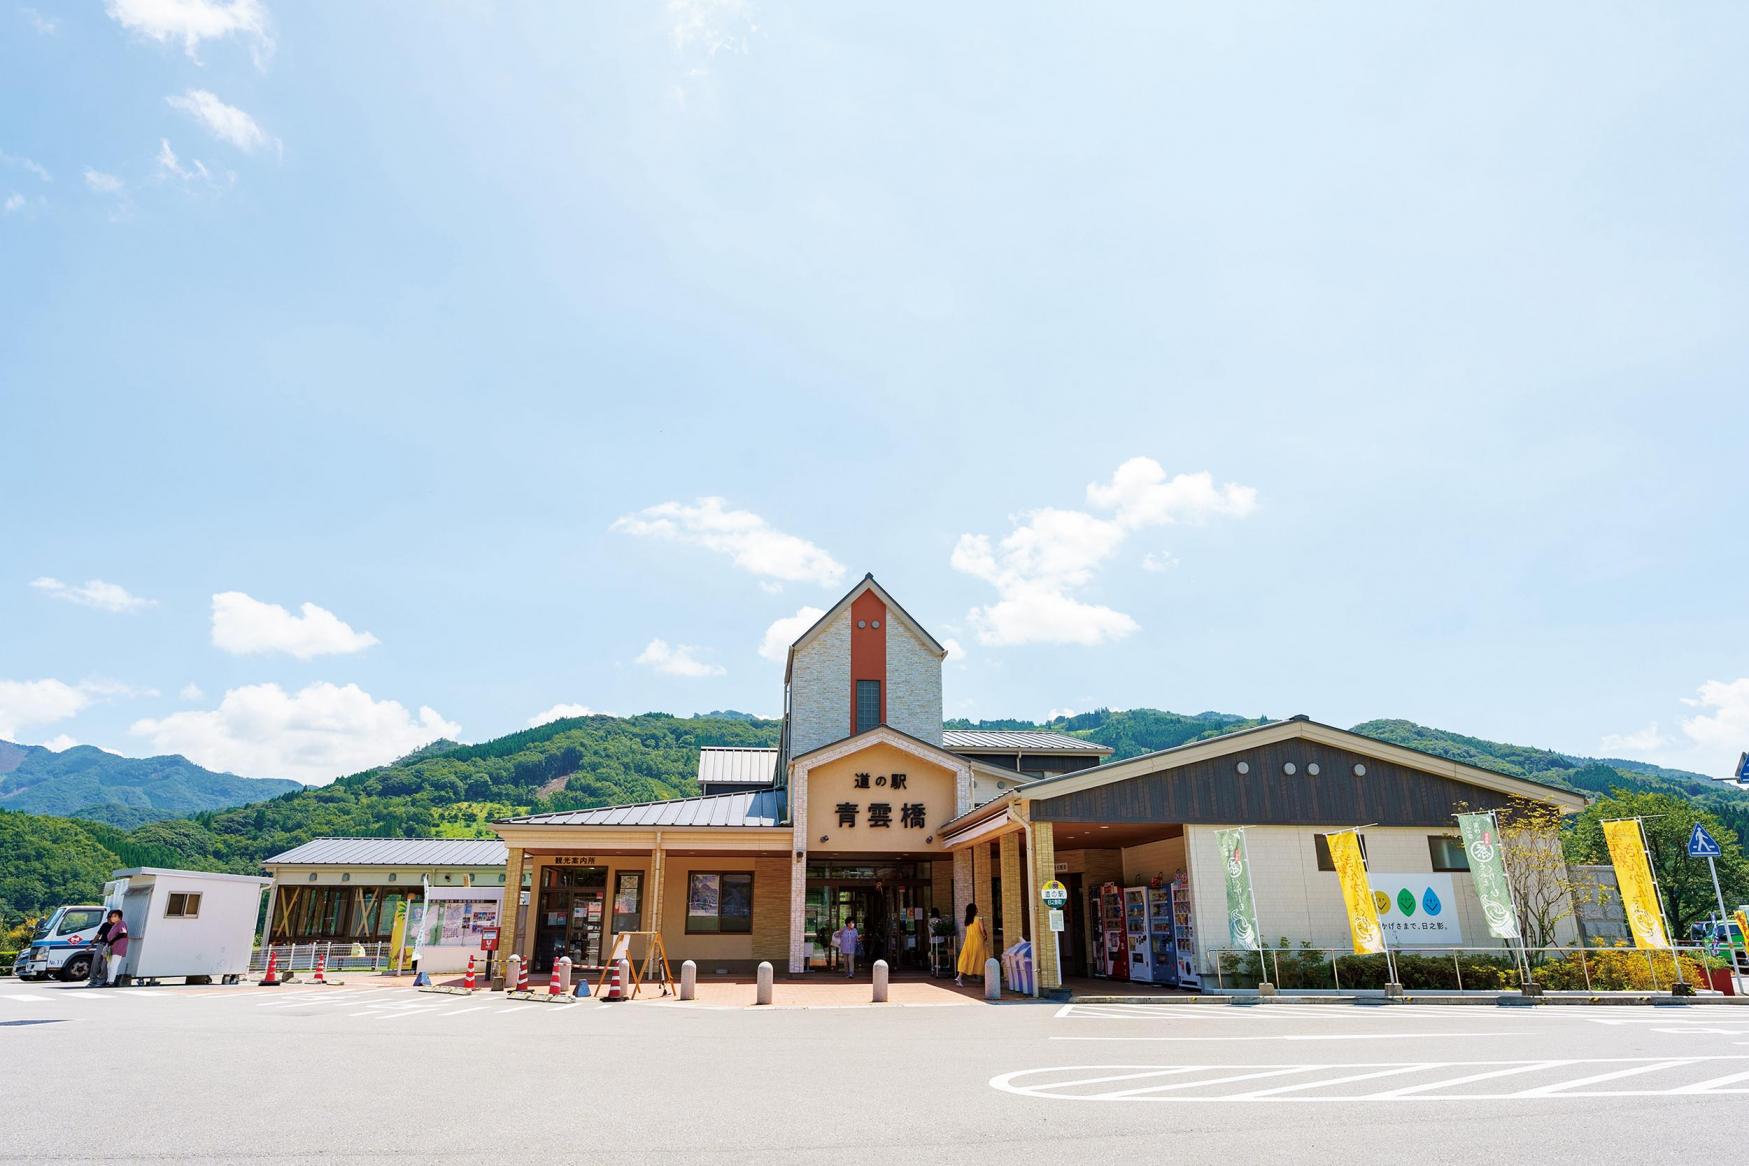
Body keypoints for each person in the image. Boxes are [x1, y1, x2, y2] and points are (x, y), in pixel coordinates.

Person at [88, 909, 128, 988]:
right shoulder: (107, 925)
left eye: (113, 916)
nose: (110, 919)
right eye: (110, 917)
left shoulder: (119, 924)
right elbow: (98, 935)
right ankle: (97, 980)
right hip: (105, 946)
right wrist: (92, 944)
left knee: (108, 964)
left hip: (113, 947)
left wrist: (112, 941)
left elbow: (123, 933)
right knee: (101, 963)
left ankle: (106, 981)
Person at [955, 902, 991, 987]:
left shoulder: (967, 920)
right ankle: (990, 979)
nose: (977, 909)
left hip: (968, 941)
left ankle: (959, 976)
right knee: (982, 958)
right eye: (976, 908)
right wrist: (985, 936)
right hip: (978, 941)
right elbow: (982, 930)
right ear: (974, 910)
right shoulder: (979, 919)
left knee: (966, 958)